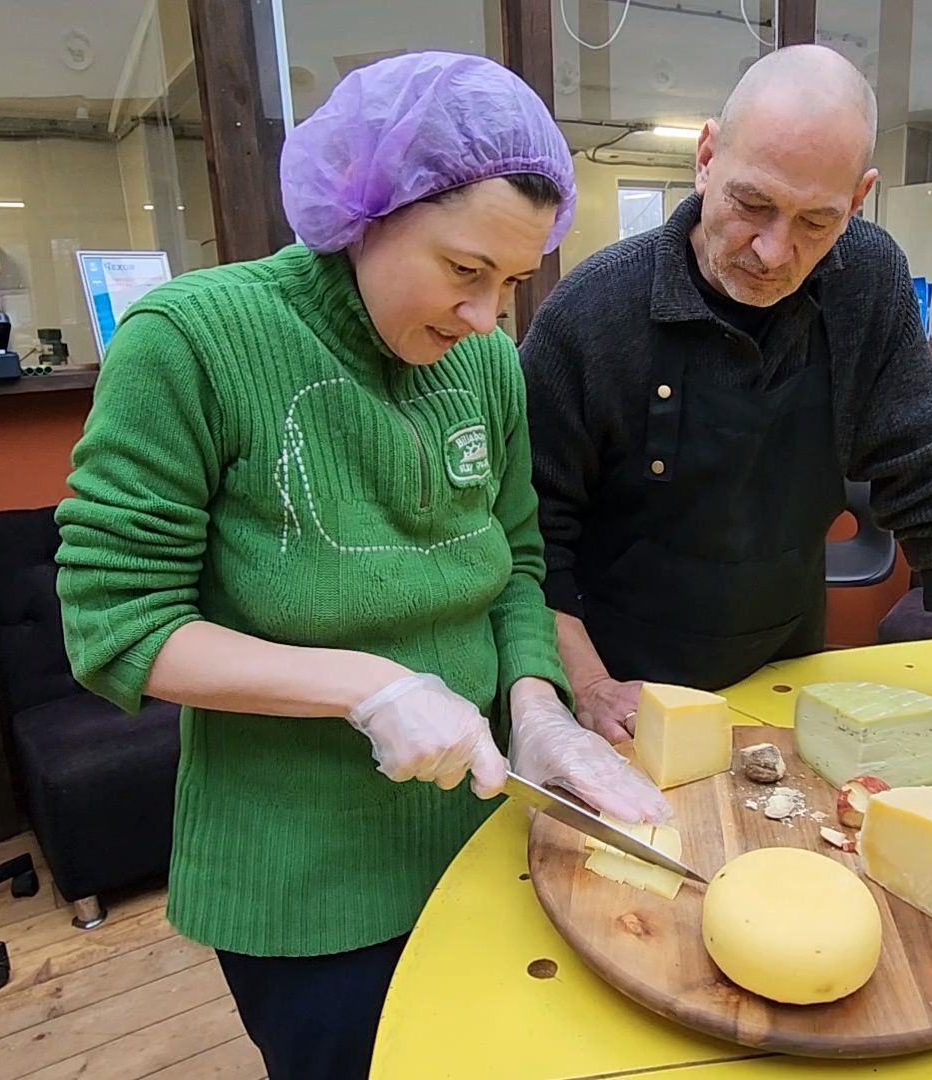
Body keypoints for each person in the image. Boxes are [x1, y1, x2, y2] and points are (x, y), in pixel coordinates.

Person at [54, 52, 669, 1080]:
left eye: (512, 283)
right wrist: (366, 687)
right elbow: (117, 627)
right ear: (364, 209)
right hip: (306, 883)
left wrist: (537, 705)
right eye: (465, 271)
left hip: (480, 835)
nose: (486, 317)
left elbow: (517, 563)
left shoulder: (483, 364)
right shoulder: (189, 342)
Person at [521, 45, 932, 755]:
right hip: (622, 689)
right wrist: (591, 687)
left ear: (857, 200)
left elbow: (928, 475)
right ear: (706, 158)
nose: (772, 251)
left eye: (815, 222)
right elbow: (531, 534)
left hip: (787, 668)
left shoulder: (870, 281)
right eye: (751, 204)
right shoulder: (592, 310)